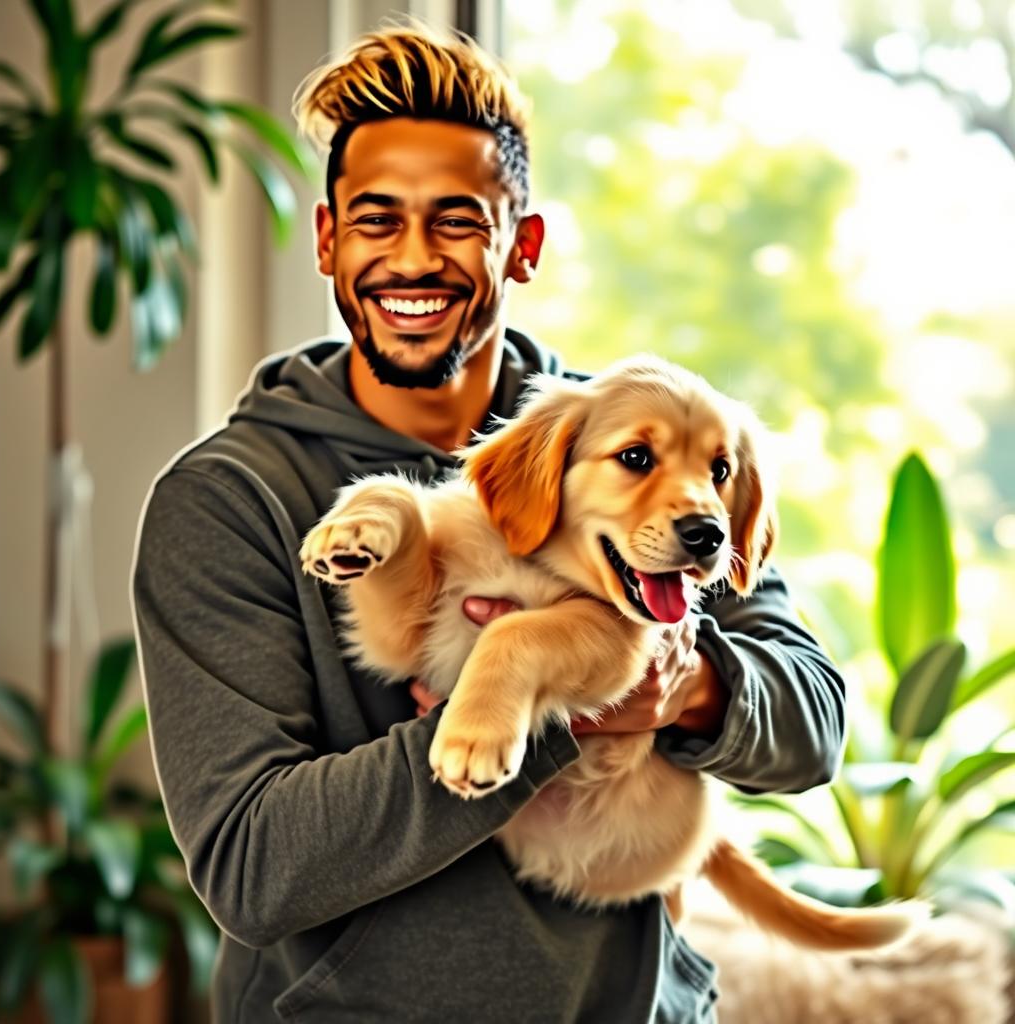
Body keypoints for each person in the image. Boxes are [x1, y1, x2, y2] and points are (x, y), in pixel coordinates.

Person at [131, 22, 846, 1023]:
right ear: (330, 239)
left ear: (524, 246)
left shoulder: (643, 447)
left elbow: (812, 725)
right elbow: (257, 865)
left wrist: (687, 683)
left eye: (457, 220)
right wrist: (562, 705)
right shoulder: (231, 498)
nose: (413, 259)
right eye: (377, 221)